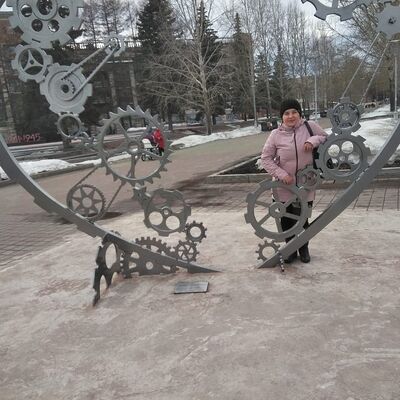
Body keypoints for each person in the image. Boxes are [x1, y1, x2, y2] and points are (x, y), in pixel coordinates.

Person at [261, 98, 328, 264]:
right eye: (286, 113)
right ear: (282, 117)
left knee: (302, 217)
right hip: (283, 185)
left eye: (294, 112)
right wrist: (282, 175)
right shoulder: (275, 135)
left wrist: (312, 141)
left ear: (299, 113)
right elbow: (266, 159)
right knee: (286, 219)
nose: (291, 116)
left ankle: (303, 248)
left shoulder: (310, 126)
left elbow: (325, 137)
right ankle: (290, 249)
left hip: (306, 183)